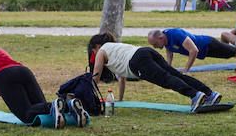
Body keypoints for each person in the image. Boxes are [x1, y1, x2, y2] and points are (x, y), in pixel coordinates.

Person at [0, 38, 82, 127]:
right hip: (24, 71)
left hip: (3, 77)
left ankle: (54, 105)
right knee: (40, 108)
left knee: (27, 116)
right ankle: (68, 105)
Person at [89, 32, 221, 111]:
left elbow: (96, 75)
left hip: (137, 61)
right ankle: (210, 94)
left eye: (93, 50)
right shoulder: (115, 48)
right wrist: (120, 99)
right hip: (145, 51)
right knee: (175, 75)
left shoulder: (101, 51)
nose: (94, 53)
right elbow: (121, 78)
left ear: (97, 46)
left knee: (165, 79)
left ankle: (195, 95)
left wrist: (89, 94)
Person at [148, 27, 236, 72]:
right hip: (205, 51)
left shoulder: (176, 34)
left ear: (160, 38)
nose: (155, 47)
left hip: (209, 44)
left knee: (235, 52)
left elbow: (194, 50)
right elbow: (169, 51)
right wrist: (168, 66)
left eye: (155, 44)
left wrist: (186, 69)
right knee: (229, 55)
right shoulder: (165, 41)